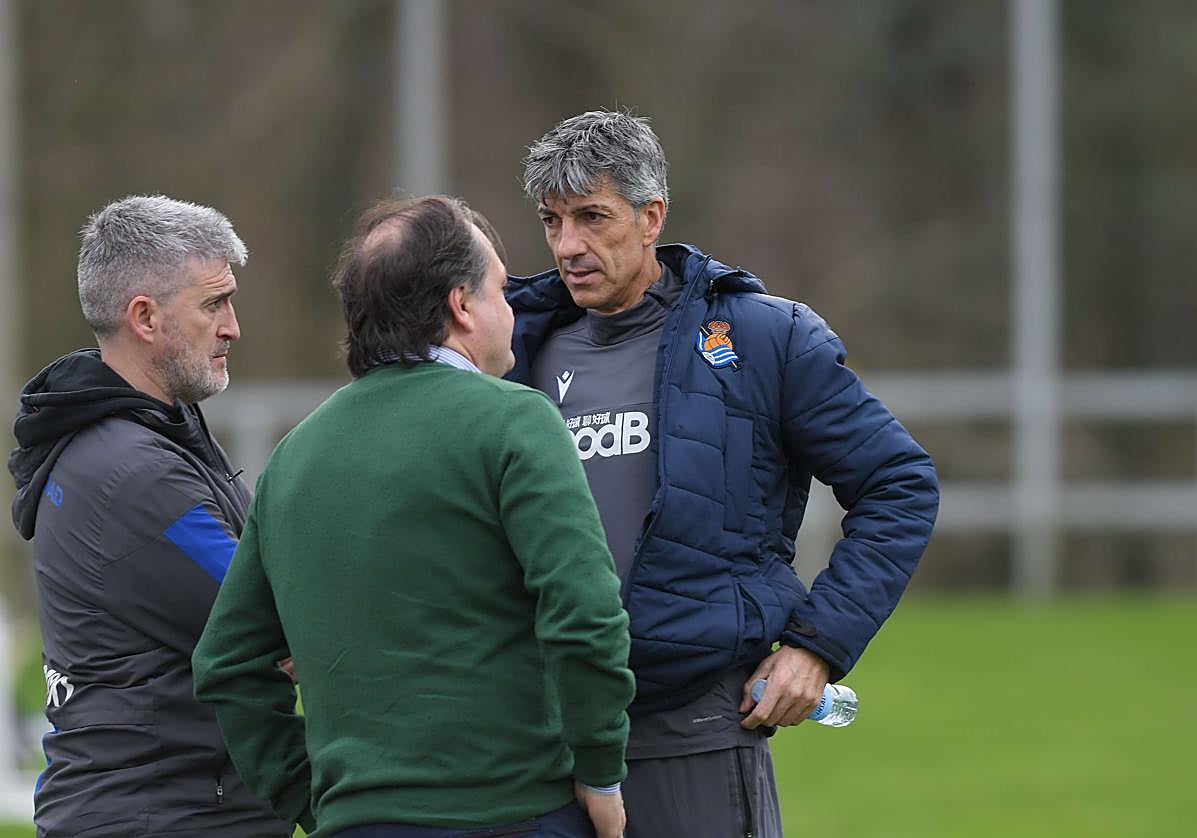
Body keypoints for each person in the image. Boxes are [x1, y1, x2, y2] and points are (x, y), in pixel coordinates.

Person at [506, 110, 941, 837]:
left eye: (592, 217)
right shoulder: (509, 352)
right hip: (534, 740)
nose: (568, 246)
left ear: (651, 217)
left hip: (692, 727)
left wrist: (817, 645)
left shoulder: (762, 337)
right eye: (552, 221)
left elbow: (898, 482)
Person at [191, 195, 635, 838]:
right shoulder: (515, 419)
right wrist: (600, 769)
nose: (511, 311)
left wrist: (315, 799)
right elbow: (585, 614)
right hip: (512, 813)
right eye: (501, 291)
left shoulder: (294, 455)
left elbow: (227, 664)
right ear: (461, 306)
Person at [7, 195, 290, 837]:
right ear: (145, 317)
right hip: (167, 814)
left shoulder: (150, 431)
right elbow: (279, 626)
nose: (233, 327)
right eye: (214, 304)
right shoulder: (135, 473)